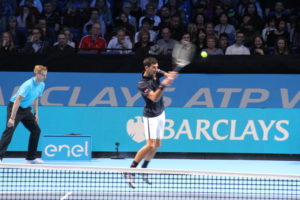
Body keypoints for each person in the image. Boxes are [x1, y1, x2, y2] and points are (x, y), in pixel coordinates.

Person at [124, 57, 177, 188]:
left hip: (161, 113)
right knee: (150, 144)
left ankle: (144, 169)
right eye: (153, 67)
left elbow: (160, 71)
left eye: (156, 67)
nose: (155, 69)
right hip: (151, 116)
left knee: (157, 144)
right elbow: (154, 97)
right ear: (146, 68)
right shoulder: (142, 84)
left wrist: (167, 74)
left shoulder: (155, 72)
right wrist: (163, 84)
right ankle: (130, 171)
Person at [0, 65, 48, 164]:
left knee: (36, 130)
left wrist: (36, 114)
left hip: (26, 109)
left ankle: (31, 158)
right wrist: (12, 118)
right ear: (37, 74)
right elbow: (17, 100)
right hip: (15, 107)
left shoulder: (42, 84)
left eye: (45, 75)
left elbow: (36, 98)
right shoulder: (28, 85)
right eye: (43, 75)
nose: (45, 77)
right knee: (9, 131)